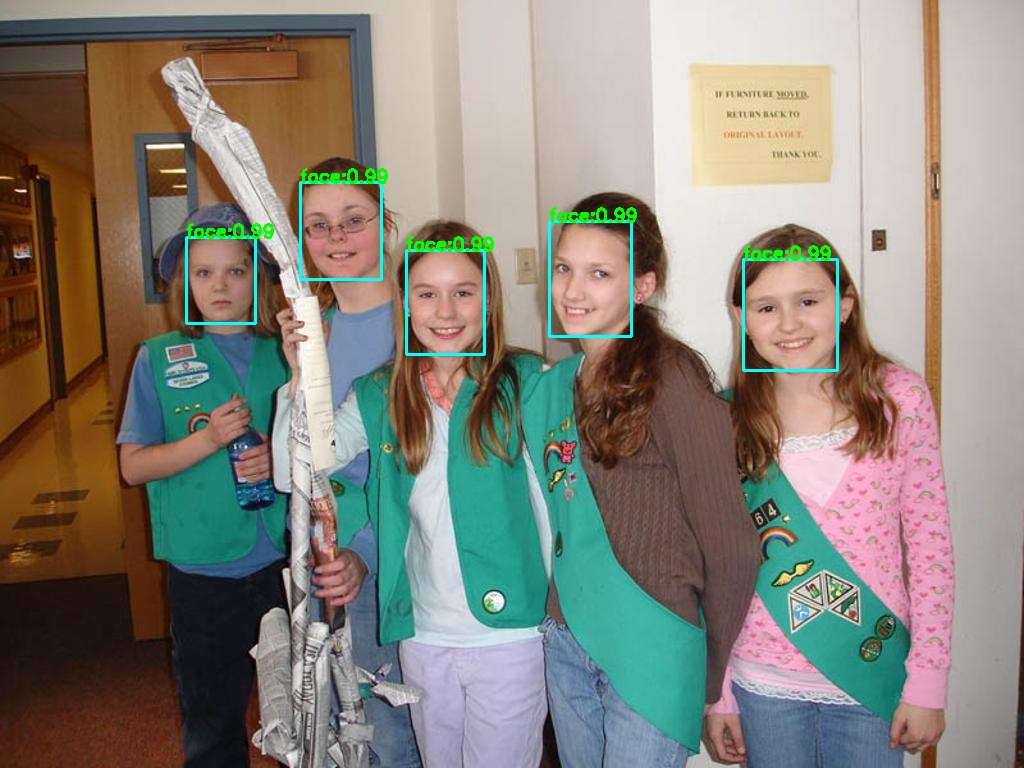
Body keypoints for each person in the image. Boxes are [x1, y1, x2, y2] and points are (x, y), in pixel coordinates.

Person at [280, 220, 551, 767]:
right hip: (423, 631)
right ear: (404, 302)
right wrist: (300, 375)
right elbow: (296, 471)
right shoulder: (381, 392)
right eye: (426, 294)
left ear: (489, 301)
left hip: (510, 633)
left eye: (463, 293)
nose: (445, 312)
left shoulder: (527, 381)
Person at [519, 192, 761, 767]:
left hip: (652, 647)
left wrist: (711, 672)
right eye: (563, 268)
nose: (573, 291)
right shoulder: (555, 385)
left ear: (642, 286)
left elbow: (730, 545)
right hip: (569, 639)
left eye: (599, 273)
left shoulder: (672, 379)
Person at [704, 224, 954, 768]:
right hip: (761, 680)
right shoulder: (724, 418)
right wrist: (718, 692)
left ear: (844, 304)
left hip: (871, 667)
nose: (788, 323)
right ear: (742, 318)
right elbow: (716, 566)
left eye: (808, 301)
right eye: (766, 307)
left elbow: (931, 548)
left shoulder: (899, 399)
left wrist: (928, 680)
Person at [117, 202, 288, 767]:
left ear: (257, 279)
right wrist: (209, 440)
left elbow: (320, 445)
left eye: (236, 271)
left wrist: (279, 456)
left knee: (301, 709)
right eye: (204, 272)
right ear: (185, 283)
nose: (219, 286)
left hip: (282, 563)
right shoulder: (157, 359)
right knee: (213, 719)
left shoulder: (284, 353)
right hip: (204, 574)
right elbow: (133, 466)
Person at [274, 156, 421, 767]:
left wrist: (365, 556)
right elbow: (295, 469)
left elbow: (430, 472)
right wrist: (296, 373)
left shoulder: (423, 322)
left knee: (394, 738)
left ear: (385, 224)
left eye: (353, 219)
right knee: (339, 733)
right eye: (318, 225)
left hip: (396, 568)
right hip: (325, 565)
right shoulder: (315, 330)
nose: (335, 237)